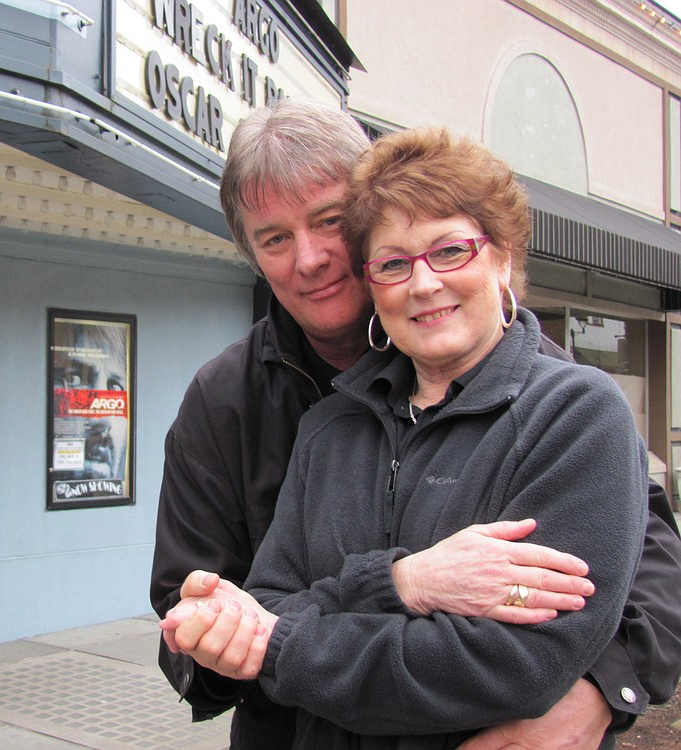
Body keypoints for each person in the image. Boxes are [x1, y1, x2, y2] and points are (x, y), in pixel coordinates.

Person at [149, 99, 681, 749]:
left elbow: (642, 554)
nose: (310, 258)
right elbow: (209, 608)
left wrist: (598, 688)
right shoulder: (237, 404)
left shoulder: (551, 393)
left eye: (329, 222)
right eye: (275, 238)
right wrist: (219, 639)